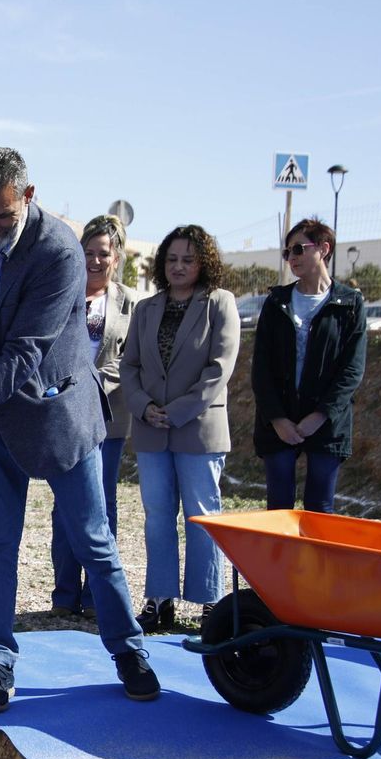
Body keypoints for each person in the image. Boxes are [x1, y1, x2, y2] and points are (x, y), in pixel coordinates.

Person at [0, 146, 159, 712]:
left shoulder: (60, 251)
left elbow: (23, 358)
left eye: (3, 218)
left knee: (93, 541)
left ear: (29, 196)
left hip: (57, 412)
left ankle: (128, 651)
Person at [119, 223, 241, 633]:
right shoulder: (146, 308)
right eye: (172, 259)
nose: (179, 266)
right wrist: (144, 406)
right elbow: (129, 366)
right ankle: (159, 600)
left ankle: (209, 602)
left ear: (203, 262)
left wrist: (179, 410)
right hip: (152, 428)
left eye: (188, 259)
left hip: (198, 429)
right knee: (157, 517)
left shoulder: (220, 303)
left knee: (202, 516)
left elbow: (219, 369)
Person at [49, 214, 138, 618]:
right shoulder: (62, 294)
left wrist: (86, 383)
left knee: (101, 507)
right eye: (89, 253)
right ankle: (64, 595)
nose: (96, 261)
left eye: (104, 253)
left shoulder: (131, 303)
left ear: (116, 258)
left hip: (109, 418)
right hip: (63, 418)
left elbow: (129, 360)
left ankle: (96, 597)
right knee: (64, 507)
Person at [252, 219, 367, 513]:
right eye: (287, 252)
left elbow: (351, 370)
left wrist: (319, 416)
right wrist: (277, 419)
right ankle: (279, 561)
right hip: (279, 421)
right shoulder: (276, 301)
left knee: (319, 509)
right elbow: (261, 368)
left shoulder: (350, 303)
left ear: (324, 249)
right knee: (279, 509)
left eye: (299, 249)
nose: (292, 257)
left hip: (327, 424)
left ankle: (314, 562)